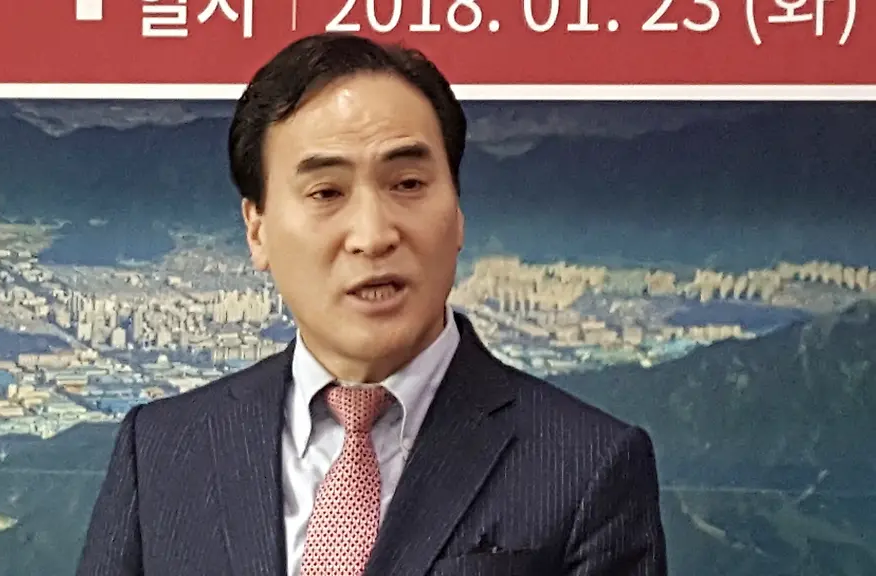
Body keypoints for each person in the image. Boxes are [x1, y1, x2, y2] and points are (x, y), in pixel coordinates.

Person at [76, 32, 667, 576]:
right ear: (257, 230)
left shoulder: (587, 464)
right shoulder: (162, 450)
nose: (373, 234)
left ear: (457, 211)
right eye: (326, 192)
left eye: (408, 184)